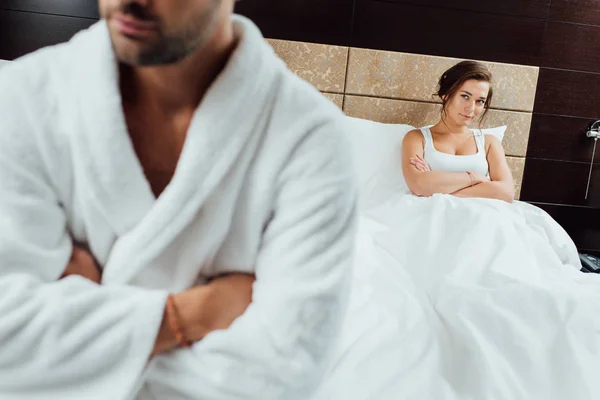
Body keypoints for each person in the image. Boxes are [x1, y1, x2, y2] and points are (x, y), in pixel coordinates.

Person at [0, 1, 356, 399]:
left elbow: (282, 376)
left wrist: (78, 336)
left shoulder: (312, 140)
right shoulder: (23, 98)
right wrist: (188, 315)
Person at [402, 61, 514, 203]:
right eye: (465, 96)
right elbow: (418, 185)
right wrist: (476, 179)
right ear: (446, 94)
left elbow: (506, 192)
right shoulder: (417, 138)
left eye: (479, 101)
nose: (471, 108)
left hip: (480, 216)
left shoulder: (489, 142)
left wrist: (436, 186)